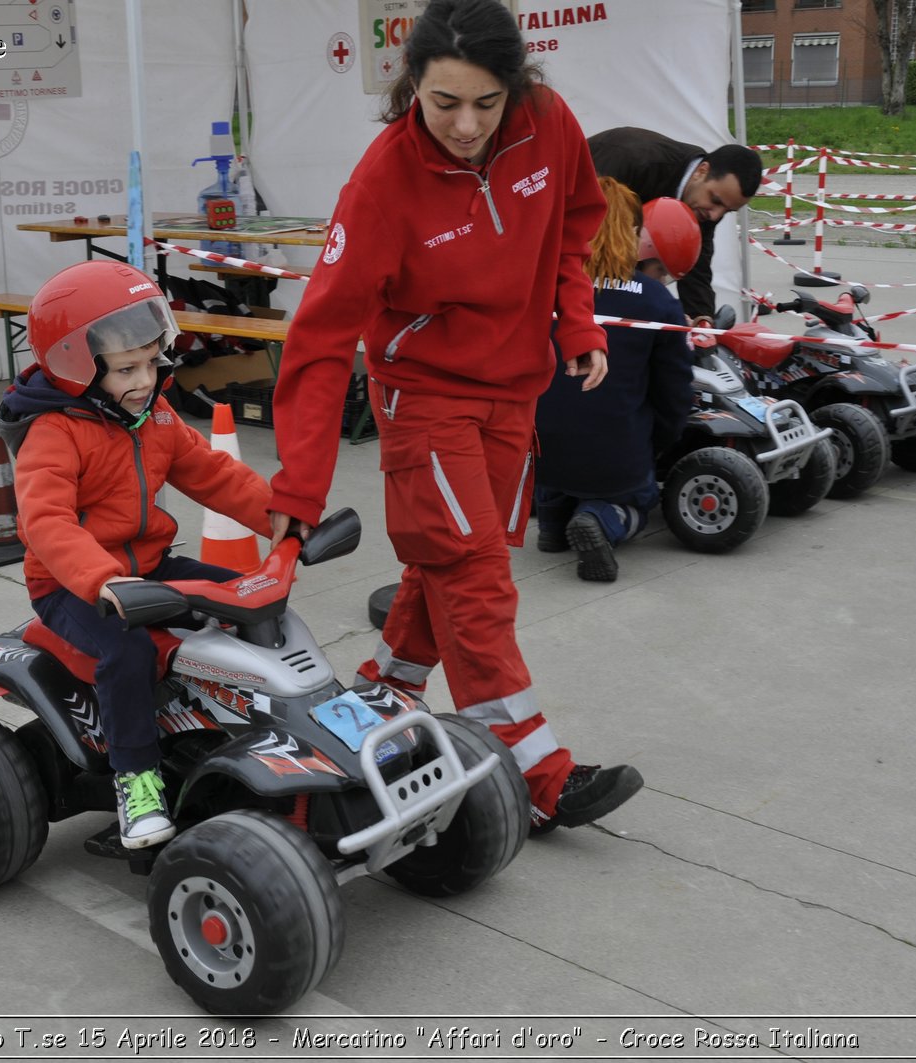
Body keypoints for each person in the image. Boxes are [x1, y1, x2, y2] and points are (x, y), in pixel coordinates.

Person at [267, 0, 642, 834]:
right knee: (474, 574)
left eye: (486, 102)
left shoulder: (547, 124)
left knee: (444, 563)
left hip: (513, 390)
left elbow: (579, 222)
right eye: (444, 104)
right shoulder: (380, 182)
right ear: (412, 87)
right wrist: (299, 486)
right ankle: (535, 767)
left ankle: (381, 695)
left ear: (517, 87)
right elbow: (321, 339)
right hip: (423, 396)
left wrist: (575, 321)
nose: (466, 125)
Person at [0, 259, 274, 849]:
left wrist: (283, 516)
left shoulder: (154, 415)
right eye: (127, 368)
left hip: (148, 567)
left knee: (249, 601)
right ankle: (138, 781)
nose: (146, 379)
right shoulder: (55, 432)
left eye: (152, 362)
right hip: (73, 586)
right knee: (125, 651)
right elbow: (45, 522)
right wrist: (100, 580)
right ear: (78, 367)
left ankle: (253, 727)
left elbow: (214, 474)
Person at [534, 184, 700, 583]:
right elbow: (674, 395)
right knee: (641, 494)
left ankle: (552, 521)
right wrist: (656, 446)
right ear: (635, 238)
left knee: (559, 453)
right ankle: (602, 518)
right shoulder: (657, 301)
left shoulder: (544, 291)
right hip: (613, 455)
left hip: (543, 449)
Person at [586, 127, 762, 325]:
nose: (715, 215)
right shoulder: (637, 160)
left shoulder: (706, 206)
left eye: (727, 211)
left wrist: (702, 322)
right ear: (701, 171)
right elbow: (587, 236)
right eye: (716, 200)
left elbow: (696, 267)